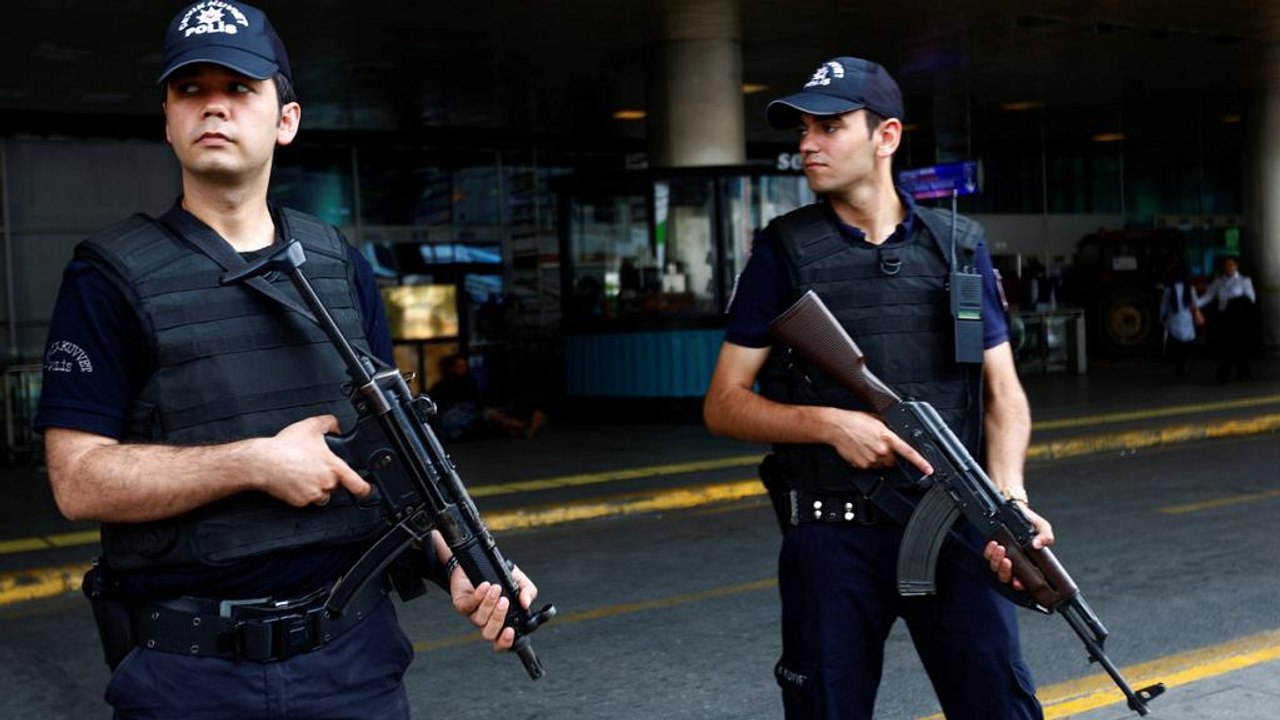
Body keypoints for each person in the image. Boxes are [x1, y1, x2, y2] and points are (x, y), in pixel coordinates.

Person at [34, 3, 536, 717]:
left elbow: (391, 462)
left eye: (239, 88)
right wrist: (254, 462)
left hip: (353, 665)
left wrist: (455, 559)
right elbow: (77, 482)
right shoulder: (108, 277)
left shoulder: (339, 266)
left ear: (286, 119)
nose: (213, 106)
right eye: (190, 89)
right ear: (169, 120)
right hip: (190, 674)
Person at [703, 56, 1052, 719]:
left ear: (885, 136)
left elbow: (1005, 396)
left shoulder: (958, 248)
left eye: (829, 126)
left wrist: (1008, 496)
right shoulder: (782, 252)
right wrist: (831, 425)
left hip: (956, 526)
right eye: (802, 129)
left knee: (1003, 705)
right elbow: (723, 402)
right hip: (833, 540)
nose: (807, 143)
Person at [429, 352, 547, 440]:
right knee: (491, 417)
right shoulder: (444, 385)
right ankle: (525, 427)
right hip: (456, 416)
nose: (463, 369)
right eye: (460, 366)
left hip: (470, 413)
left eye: (464, 366)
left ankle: (524, 428)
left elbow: (476, 401)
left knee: (496, 417)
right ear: (452, 368)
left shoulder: (469, 381)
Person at [1196, 255, 1257, 382]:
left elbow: (1251, 298)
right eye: (1226, 265)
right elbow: (1208, 296)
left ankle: (1230, 372)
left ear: (1236, 266)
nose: (1228, 268)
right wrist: (1195, 304)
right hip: (1223, 317)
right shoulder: (1219, 281)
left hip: (1237, 318)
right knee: (1226, 345)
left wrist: (1238, 304)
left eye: (1231, 265)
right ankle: (1239, 371)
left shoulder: (1244, 281)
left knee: (1236, 345)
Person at [1159, 261, 1202, 377]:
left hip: (1173, 320)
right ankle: (1185, 366)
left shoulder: (1169, 289)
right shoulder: (1189, 289)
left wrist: (1162, 318)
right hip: (1187, 320)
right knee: (1187, 346)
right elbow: (1196, 303)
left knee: (1175, 346)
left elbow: (1164, 306)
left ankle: (1178, 367)